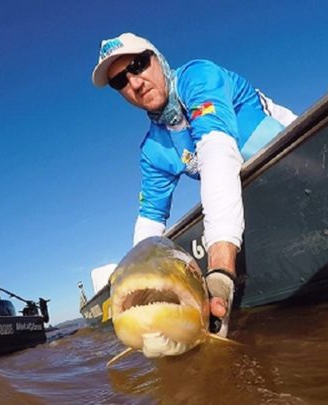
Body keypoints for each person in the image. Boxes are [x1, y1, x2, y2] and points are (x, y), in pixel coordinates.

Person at [92, 33, 297, 336]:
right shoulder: (153, 150)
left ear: (158, 58)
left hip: (295, 156)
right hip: (242, 190)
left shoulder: (198, 77)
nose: (134, 83)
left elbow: (217, 153)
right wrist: (140, 293)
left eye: (138, 65)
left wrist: (221, 270)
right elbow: (149, 225)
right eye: (119, 81)